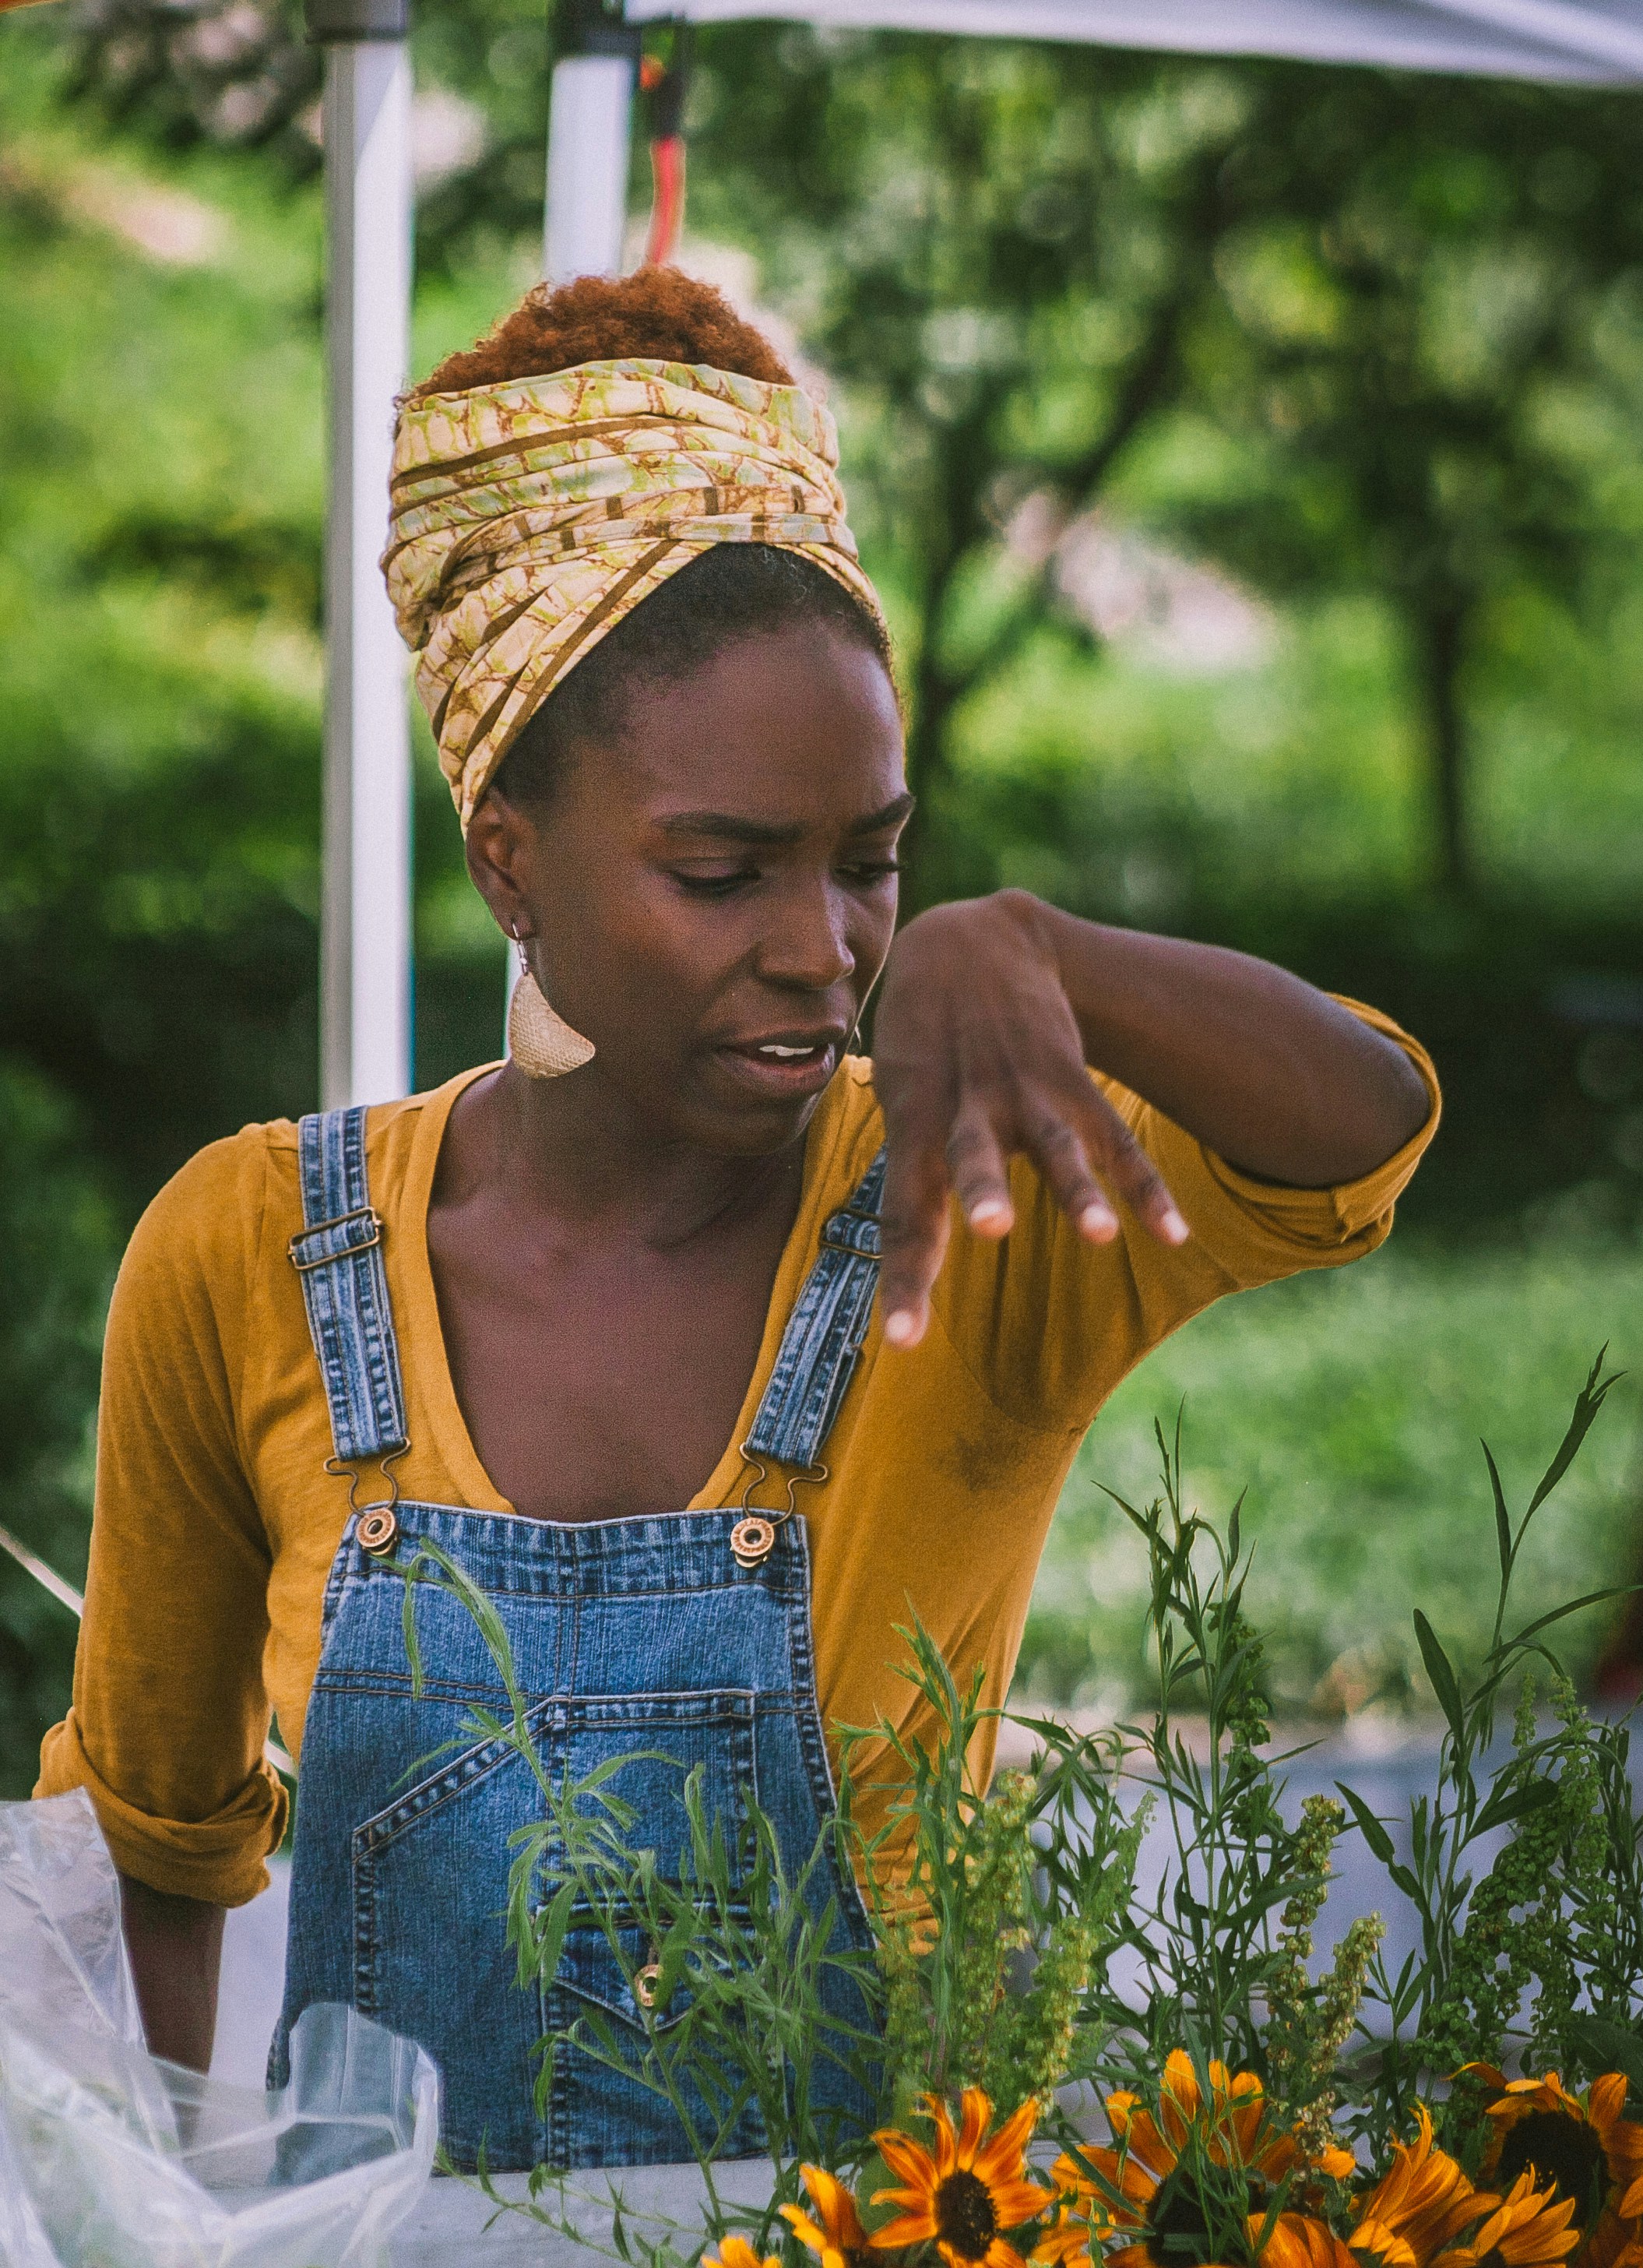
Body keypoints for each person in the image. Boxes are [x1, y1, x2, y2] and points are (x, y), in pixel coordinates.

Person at [37, 269, 1437, 2170]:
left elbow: (1356, 1132)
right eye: (722, 871)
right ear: (506, 856)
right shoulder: (250, 1256)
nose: (822, 950)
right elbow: (147, 1845)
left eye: (872, 863)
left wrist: (1036, 949)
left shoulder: (971, 1201)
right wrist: (146, 2211)